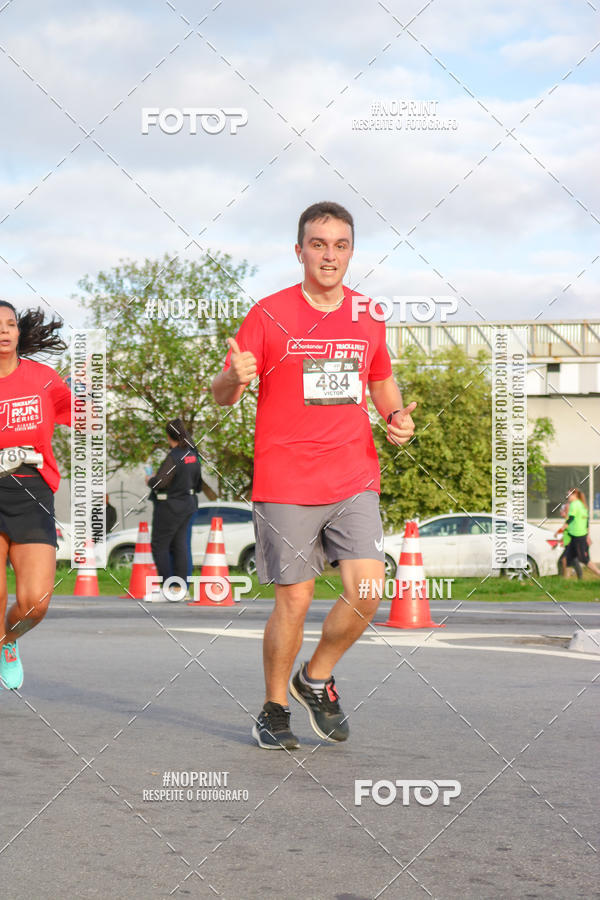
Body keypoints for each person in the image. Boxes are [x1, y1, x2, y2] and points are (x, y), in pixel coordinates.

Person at [212, 201, 416, 750]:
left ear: (351, 252)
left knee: (368, 590)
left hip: (353, 474)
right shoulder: (268, 313)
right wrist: (233, 376)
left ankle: (316, 676)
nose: (329, 255)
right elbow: (224, 394)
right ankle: (274, 709)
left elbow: (381, 380)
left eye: (340, 245)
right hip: (286, 480)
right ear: (299, 250)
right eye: (318, 244)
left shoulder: (368, 315)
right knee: (295, 601)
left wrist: (396, 416)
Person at [0, 301, 72, 690]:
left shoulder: (43, 379)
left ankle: (7, 642)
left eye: (10, 324)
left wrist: (91, 393)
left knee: (35, 604)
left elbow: (80, 414)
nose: (4, 330)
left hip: (32, 491)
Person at [145, 419, 202, 601]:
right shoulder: (193, 454)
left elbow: (161, 483)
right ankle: (181, 589)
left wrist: (150, 480)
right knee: (180, 546)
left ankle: (168, 588)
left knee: (160, 545)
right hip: (189, 503)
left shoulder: (175, 456)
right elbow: (198, 484)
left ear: (169, 436)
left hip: (170, 506)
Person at [564, 489, 600, 579]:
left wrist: (565, 525)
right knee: (568, 557)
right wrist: (587, 535)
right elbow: (586, 522)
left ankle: (598, 573)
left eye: (569, 495)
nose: (567, 497)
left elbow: (571, 517)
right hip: (578, 535)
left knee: (583, 559)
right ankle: (565, 581)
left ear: (575, 495)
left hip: (578, 535)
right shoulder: (582, 505)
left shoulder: (574, 504)